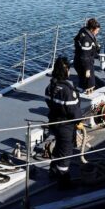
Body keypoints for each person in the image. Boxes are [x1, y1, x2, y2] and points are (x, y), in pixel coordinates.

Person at [45, 57, 82, 189]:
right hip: (66, 126)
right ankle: (63, 180)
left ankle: (53, 170)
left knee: (58, 148)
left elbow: (50, 103)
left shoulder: (50, 87)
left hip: (54, 123)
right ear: (66, 71)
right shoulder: (68, 91)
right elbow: (73, 110)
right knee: (66, 152)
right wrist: (79, 121)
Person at [73, 18, 101, 92]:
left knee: (84, 82)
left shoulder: (83, 32)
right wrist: (87, 69)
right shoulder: (86, 40)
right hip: (84, 64)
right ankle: (84, 96)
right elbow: (84, 56)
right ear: (92, 29)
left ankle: (80, 92)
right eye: (97, 30)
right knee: (89, 84)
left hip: (80, 61)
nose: (97, 32)